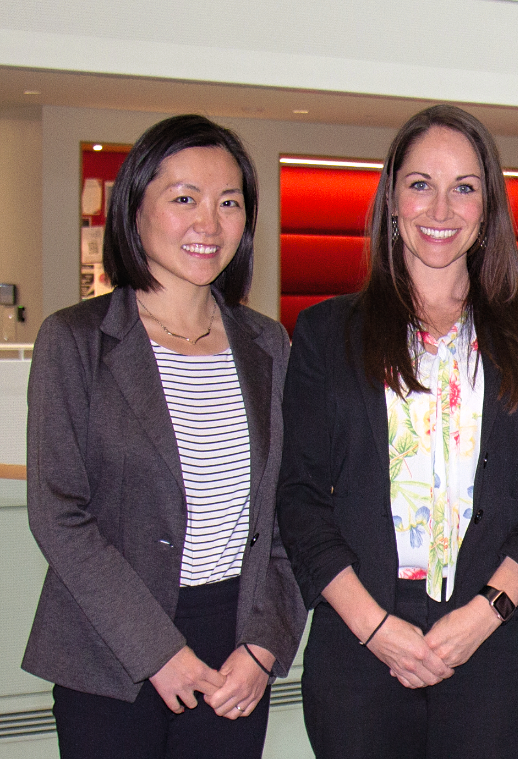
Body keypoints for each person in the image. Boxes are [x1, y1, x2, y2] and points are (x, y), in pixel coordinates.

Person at [276, 104, 518, 758]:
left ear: (487, 207)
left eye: (464, 187)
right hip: (359, 647)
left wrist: (481, 615)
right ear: (391, 200)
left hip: (492, 647)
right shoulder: (327, 334)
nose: (441, 208)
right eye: (420, 184)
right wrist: (375, 626)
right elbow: (298, 497)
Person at [23, 114, 306, 759]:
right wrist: (158, 650)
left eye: (228, 203)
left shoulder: (266, 344)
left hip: (235, 644)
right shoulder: (75, 340)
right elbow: (58, 512)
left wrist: (265, 646)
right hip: (109, 647)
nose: (209, 223)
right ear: (136, 210)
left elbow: (290, 509)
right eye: (185, 199)